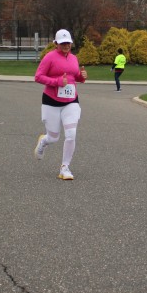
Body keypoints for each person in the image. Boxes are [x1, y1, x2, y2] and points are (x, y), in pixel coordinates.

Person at [33, 29, 87, 180]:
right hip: (51, 101)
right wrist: (56, 82)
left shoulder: (74, 58)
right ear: (56, 43)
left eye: (68, 42)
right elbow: (38, 77)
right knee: (53, 137)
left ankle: (65, 167)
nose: (66, 45)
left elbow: (74, 76)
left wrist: (82, 77)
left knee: (71, 134)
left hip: (71, 101)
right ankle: (43, 141)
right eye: (63, 43)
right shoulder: (49, 57)